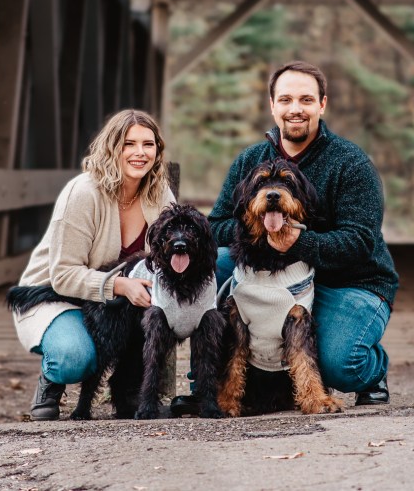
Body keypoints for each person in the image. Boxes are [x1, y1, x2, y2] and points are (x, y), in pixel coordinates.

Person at [171, 61, 398, 416]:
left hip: (348, 280)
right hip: (270, 268)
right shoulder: (250, 159)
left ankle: (371, 372)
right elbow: (215, 226)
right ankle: (207, 382)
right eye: (287, 99)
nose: (296, 109)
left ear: (322, 105)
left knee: (341, 364)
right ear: (273, 105)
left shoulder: (351, 163)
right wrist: (260, 234)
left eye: (306, 100)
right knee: (210, 264)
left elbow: (359, 242)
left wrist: (298, 242)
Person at [12, 109, 175, 421]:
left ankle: (128, 394)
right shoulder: (84, 192)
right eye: (129, 144)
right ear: (112, 147)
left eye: (148, 144)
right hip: (56, 296)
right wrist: (117, 284)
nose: (140, 153)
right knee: (74, 358)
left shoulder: (158, 191)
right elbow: (62, 274)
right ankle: (52, 378)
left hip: (116, 303)